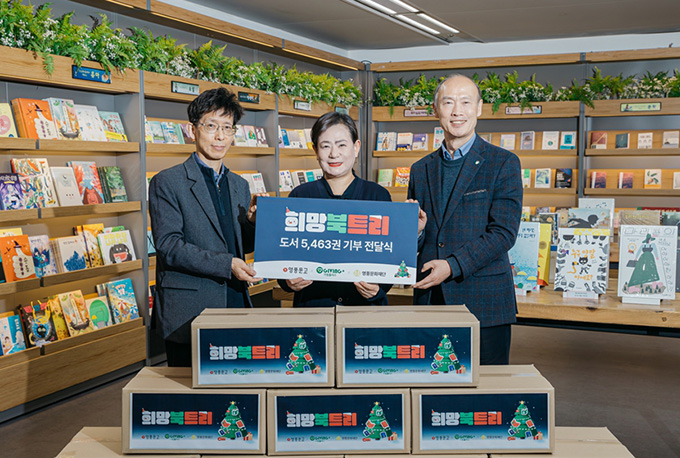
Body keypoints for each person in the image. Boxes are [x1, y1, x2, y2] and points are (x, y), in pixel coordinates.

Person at [407, 74, 523, 365]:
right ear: (436, 110)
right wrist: (416, 233)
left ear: (479, 108)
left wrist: (452, 265)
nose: (457, 111)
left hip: (484, 302)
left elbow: (503, 233)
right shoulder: (420, 169)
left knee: (488, 386)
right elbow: (421, 236)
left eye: (465, 102)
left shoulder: (503, 163)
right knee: (431, 382)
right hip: (431, 299)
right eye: (448, 102)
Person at [149, 87, 263, 367]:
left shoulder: (239, 185)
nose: (220, 136)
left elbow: (239, 245)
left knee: (236, 383)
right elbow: (169, 246)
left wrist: (252, 224)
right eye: (211, 126)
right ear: (192, 130)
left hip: (234, 300)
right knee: (190, 391)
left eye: (227, 127)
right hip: (189, 309)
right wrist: (228, 265)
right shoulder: (167, 182)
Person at [279, 112, 392, 307]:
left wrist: (378, 289)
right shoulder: (300, 196)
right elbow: (284, 255)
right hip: (313, 309)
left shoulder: (377, 196)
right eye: (325, 146)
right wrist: (287, 282)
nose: (333, 154)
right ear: (315, 150)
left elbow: (390, 255)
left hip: (363, 310)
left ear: (356, 147)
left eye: (341, 145)